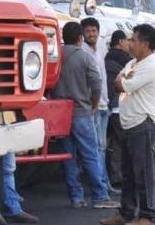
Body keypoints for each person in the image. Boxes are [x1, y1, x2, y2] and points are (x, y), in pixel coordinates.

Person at [101, 24, 155, 225]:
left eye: (134, 40)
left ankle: (148, 216)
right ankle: (126, 212)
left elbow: (123, 84)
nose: (130, 43)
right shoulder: (135, 62)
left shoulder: (150, 65)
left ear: (145, 44)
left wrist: (123, 79)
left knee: (143, 174)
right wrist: (123, 78)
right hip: (130, 125)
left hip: (143, 125)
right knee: (128, 172)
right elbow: (120, 77)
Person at [53, 22, 119, 209]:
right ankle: (100, 196)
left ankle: (76, 197)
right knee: (91, 154)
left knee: (69, 157)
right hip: (82, 112)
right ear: (80, 38)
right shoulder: (85, 58)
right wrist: (95, 104)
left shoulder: (55, 57)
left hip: (60, 114)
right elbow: (97, 84)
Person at [80, 18, 113, 194]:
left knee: (102, 148)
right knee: (96, 148)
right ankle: (101, 188)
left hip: (103, 104)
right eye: (88, 32)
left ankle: (104, 183)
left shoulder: (101, 47)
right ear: (83, 34)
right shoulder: (83, 52)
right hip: (92, 106)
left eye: (94, 31)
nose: (91, 34)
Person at [104, 30, 133, 187]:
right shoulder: (124, 60)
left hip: (111, 105)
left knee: (115, 142)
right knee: (124, 143)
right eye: (128, 40)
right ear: (120, 42)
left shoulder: (108, 57)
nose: (130, 44)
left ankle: (115, 175)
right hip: (118, 107)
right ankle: (121, 176)